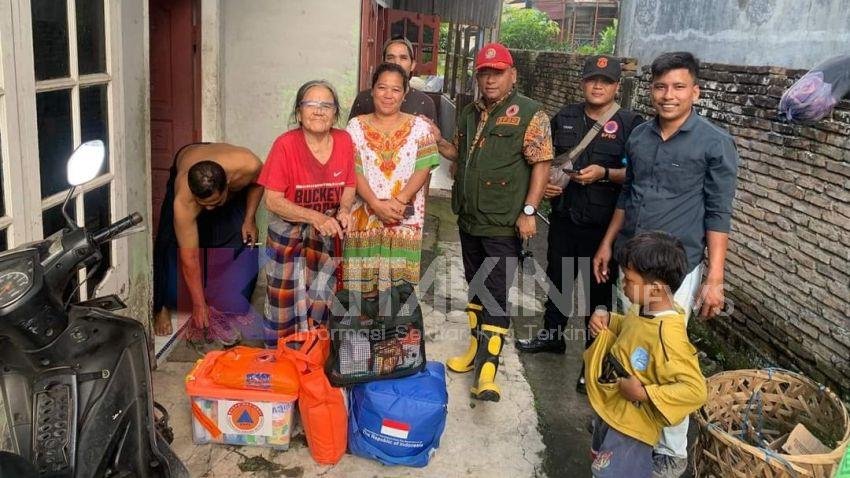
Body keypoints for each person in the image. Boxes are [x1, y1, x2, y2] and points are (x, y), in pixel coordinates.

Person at [592, 51, 739, 477]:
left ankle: (670, 450)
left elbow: (718, 212)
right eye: (660, 87)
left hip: (677, 271)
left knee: (667, 358)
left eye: (678, 87)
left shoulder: (713, 142)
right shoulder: (638, 137)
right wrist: (607, 244)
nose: (667, 95)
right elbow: (628, 195)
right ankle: (625, 429)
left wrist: (714, 278)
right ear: (650, 89)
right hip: (632, 263)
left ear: (695, 91)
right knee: (630, 347)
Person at [515, 55, 645, 395]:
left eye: (605, 80)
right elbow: (545, 160)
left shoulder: (631, 123)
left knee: (598, 292)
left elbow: (639, 174)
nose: (597, 85)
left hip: (604, 226)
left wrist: (606, 173)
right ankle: (552, 335)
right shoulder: (566, 117)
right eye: (591, 79)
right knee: (558, 278)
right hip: (564, 215)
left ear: (617, 86)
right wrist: (547, 187)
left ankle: (595, 359)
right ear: (582, 82)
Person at [438, 43, 553, 402]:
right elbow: (458, 151)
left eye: (497, 72)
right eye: (484, 73)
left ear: (512, 74)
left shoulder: (531, 114)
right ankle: (475, 352)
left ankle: (488, 371)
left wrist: (530, 211)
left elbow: (541, 163)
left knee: (496, 295)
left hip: (504, 221)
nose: (489, 79)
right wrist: (432, 138)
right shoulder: (470, 112)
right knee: (475, 288)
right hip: (470, 217)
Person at [585, 231, 707, 478]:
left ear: (655, 289)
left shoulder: (669, 338)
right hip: (613, 408)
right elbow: (632, 328)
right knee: (599, 462)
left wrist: (645, 393)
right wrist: (608, 319)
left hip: (631, 427)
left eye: (629, 280)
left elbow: (695, 390)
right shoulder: (643, 308)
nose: (623, 284)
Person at [258, 80, 356, 344]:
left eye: (327, 105)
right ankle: (281, 355)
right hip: (288, 230)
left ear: (335, 113)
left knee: (322, 296)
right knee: (284, 297)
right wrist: (316, 217)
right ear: (299, 112)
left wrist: (345, 209)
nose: (319, 111)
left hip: (325, 232)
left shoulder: (344, 140)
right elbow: (273, 201)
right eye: (311, 104)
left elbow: (349, 183)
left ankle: (315, 353)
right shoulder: (285, 145)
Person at [343, 62, 440, 292]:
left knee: (397, 293)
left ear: (405, 93)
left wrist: (399, 201)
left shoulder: (420, 127)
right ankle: (365, 326)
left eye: (396, 89)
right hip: (364, 217)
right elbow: (353, 170)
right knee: (362, 292)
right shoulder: (355, 126)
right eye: (382, 87)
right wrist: (376, 204)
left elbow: (424, 167)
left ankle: (393, 328)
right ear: (372, 90)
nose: (388, 95)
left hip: (403, 218)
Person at [152, 143, 263, 339]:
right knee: (169, 242)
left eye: (215, 203)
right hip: (187, 158)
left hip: (219, 166)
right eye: (204, 205)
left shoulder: (248, 165)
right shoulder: (183, 201)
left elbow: (259, 182)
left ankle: (226, 297)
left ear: (228, 185)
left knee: (242, 236)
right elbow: (190, 258)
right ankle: (162, 306)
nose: (210, 210)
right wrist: (198, 305)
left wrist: (250, 218)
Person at [348, 37, 437, 122]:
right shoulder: (364, 99)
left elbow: (433, 136)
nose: (397, 63)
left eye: (403, 58)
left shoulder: (425, 102)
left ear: (412, 65)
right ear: (383, 62)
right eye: (390, 58)